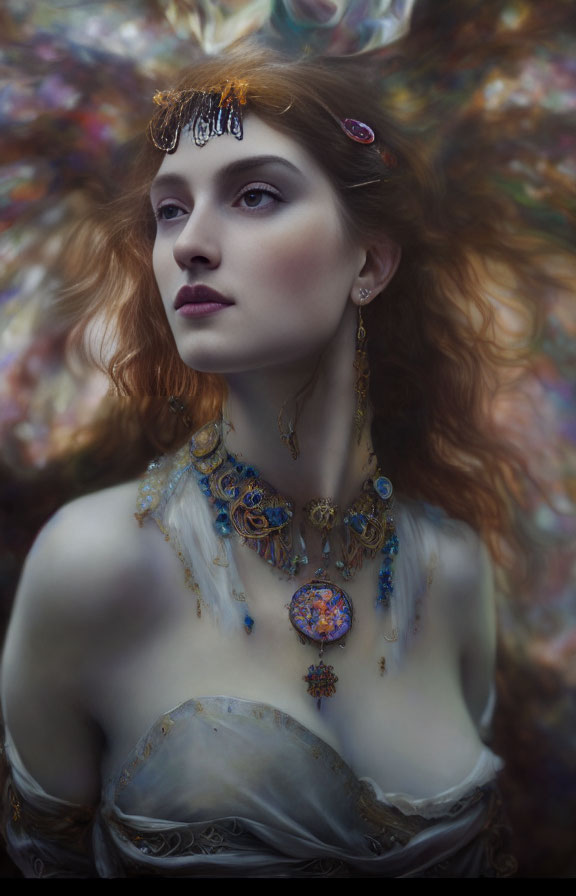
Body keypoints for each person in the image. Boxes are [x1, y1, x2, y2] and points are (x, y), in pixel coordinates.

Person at [0, 40, 527, 877]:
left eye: (253, 194)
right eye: (170, 210)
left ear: (371, 261)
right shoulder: (93, 564)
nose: (189, 245)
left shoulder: (454, 570)